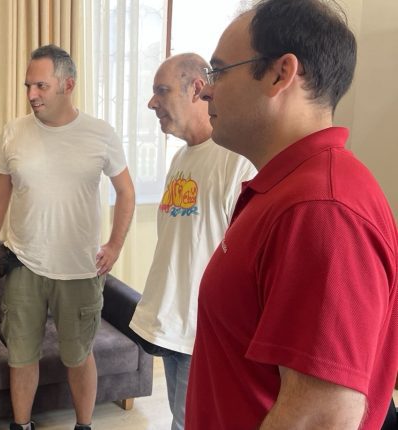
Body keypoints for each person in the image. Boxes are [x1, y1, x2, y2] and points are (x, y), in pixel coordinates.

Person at [185, 1, 398, 428]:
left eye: (219, 71)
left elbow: (322, 417)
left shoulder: (321, 210)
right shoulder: (288, 191)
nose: (205, 91)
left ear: (281, 74)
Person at [0, 44, 136, 430]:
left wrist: (115, 245)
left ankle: (83, 425)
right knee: (21, 356)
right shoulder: (14, 132)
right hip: (24, 264)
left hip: (80, 269)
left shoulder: (100, 133)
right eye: (28, 86)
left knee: (78, 356)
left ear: (68, 85)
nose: (31, 94)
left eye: (41, 86)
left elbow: (126, 191)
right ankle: (21, 425)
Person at [128, 53, 256, 430]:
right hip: (174, 324)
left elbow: (246, 262)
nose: (152, 103)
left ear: (197, 88)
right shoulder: (182, 159)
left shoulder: (237, 162)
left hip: (205, 333)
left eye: (161, 90)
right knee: (180, 419)